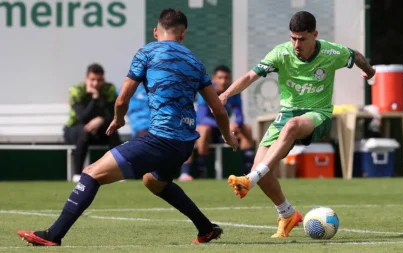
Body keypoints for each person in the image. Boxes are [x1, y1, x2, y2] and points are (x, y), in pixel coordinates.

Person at [17, 8, 238, 246]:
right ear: (183, 34)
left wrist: (119, 118)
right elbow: (218, 109)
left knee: (92, 173)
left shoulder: (147, 52)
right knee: (154, 181)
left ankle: (53, 235)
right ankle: (205, 228)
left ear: (156, 31)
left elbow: (122, 99)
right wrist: (228, 137)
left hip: (161, 139)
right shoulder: (195, 62)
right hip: (184, 144)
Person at [220, 11, 376, 238]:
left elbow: (358, 56)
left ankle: (251, 180)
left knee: (290, 129)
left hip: (318, 115)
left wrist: (369, 72)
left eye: (302, 39)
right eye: (293, 38)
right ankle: (287, 213)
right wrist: (224, 95)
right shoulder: (281, 53)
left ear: (315, 35)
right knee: (261, 167)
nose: (296, 44)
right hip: (287, 115)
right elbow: (249, 77)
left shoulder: (332, 52)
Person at [179, 65, 255, 181]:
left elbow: (240, 116)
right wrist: (226, 125)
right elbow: (203, 118)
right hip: (208, 132)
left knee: (246, 129)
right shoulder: (205, 91)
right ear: (214, 78)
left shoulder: (233, 91)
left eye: (226, 78)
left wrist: (235, 124)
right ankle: (200, 172)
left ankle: (250, 174)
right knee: (203, 129)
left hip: (224, 132)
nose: (223, 81)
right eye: (220, 78)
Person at [63, 63, 122, 183]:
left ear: (103, 79)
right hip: (74, 131)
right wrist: (95, 97)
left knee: (111, 130)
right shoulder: (76, 90)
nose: (95, 83)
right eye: (92, 80)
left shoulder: (109, 89)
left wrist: (100, 120)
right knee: (84, 130)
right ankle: (77, 174)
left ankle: (119, 171)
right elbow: (82, 118)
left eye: (99, 80)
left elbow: (112, 115)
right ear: (86, 79)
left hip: (98, 131)